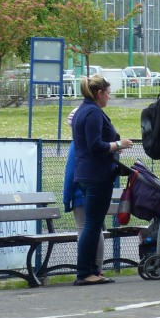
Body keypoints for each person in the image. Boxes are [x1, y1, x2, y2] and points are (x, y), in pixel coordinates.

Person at [71, 74, 132, 285]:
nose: (109, 96)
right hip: (96, 175)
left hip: (87, 173)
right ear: (99, 94)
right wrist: (118, 144)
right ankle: (84, 272)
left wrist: (113, 146)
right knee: (93, 225)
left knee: (93, 224)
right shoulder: (93, 113)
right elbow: (95, 145)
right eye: (107, 93)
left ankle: (90, 270)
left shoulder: (82, 110)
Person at [62, 106, 104, 274]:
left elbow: (70, 172)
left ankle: (86, 267)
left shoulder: (76, 144)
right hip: (97, 191)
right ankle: (98, 267)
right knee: (96, 228)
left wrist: (66, 198)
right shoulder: (97, 142)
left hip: (80, 194)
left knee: (83, 230)